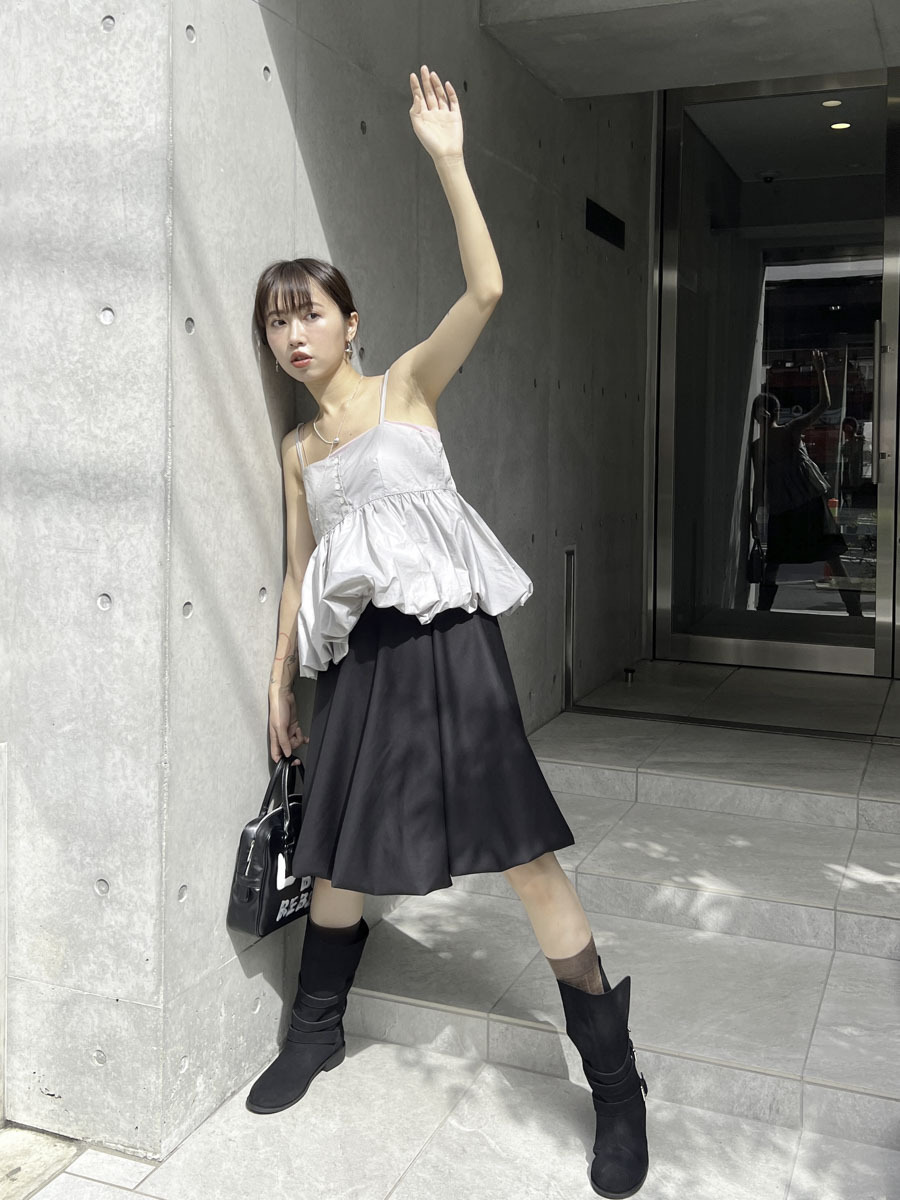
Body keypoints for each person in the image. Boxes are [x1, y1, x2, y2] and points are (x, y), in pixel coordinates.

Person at [245, 64, 649, 1198]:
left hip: (450, 646)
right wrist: (278, 683)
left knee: (523, 852)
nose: (293, 335)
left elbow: (487, 288)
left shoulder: (407, 389)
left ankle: (616, 1083)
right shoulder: (298, 451)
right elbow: (299, 573)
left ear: (350, 322)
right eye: (276, 321)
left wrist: (450, 160)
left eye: (309, 313)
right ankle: (316, 1030)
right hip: (360, 661)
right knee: (336, 848)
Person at [750, 350, 862, 617]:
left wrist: (754, 515)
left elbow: (759, 485)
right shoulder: (787, 432)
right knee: (832, 559)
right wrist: (820, 372)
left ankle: (762, 614)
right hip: (807, 507)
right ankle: (855, 613)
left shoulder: (763, 444)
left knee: (775, 563)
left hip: (785, 510)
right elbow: (824, 405)